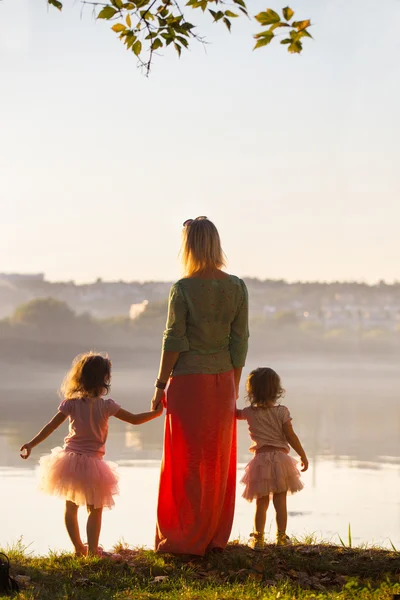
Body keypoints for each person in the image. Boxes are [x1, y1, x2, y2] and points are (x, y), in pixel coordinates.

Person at [152, 216, 249, 556]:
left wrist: (160, 384)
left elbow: (174, 339)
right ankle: (212, 536)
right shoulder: (237, 287)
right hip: (222, 382)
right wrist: (232, 385)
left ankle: (182, 536)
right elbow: (240, 342)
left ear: (189, 246)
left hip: (188, 383)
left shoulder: (182, 288)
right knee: (216, 460)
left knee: (185, 461)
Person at [20, 352, 163, 557]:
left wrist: (32, 444)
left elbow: (50, 426)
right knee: (95, 508)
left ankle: (79, 548)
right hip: (93, 464)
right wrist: (155, 414)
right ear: (105, 379)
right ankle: (93, 551)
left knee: (71, 507)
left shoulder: (71, 403)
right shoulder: (107, 405)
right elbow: (134, 420)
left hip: (69, 461)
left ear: (80, 378)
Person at [237, 367, 308, 550]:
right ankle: (281, 538)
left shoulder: (249, 412)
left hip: (261, 461)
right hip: (281, 461)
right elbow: (291, 436)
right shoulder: (282, 412)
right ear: (277, 390)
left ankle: (258, 539)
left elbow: (234, 414)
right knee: (280, 501)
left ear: (252, 391)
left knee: (261, 502)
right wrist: (302, 454)